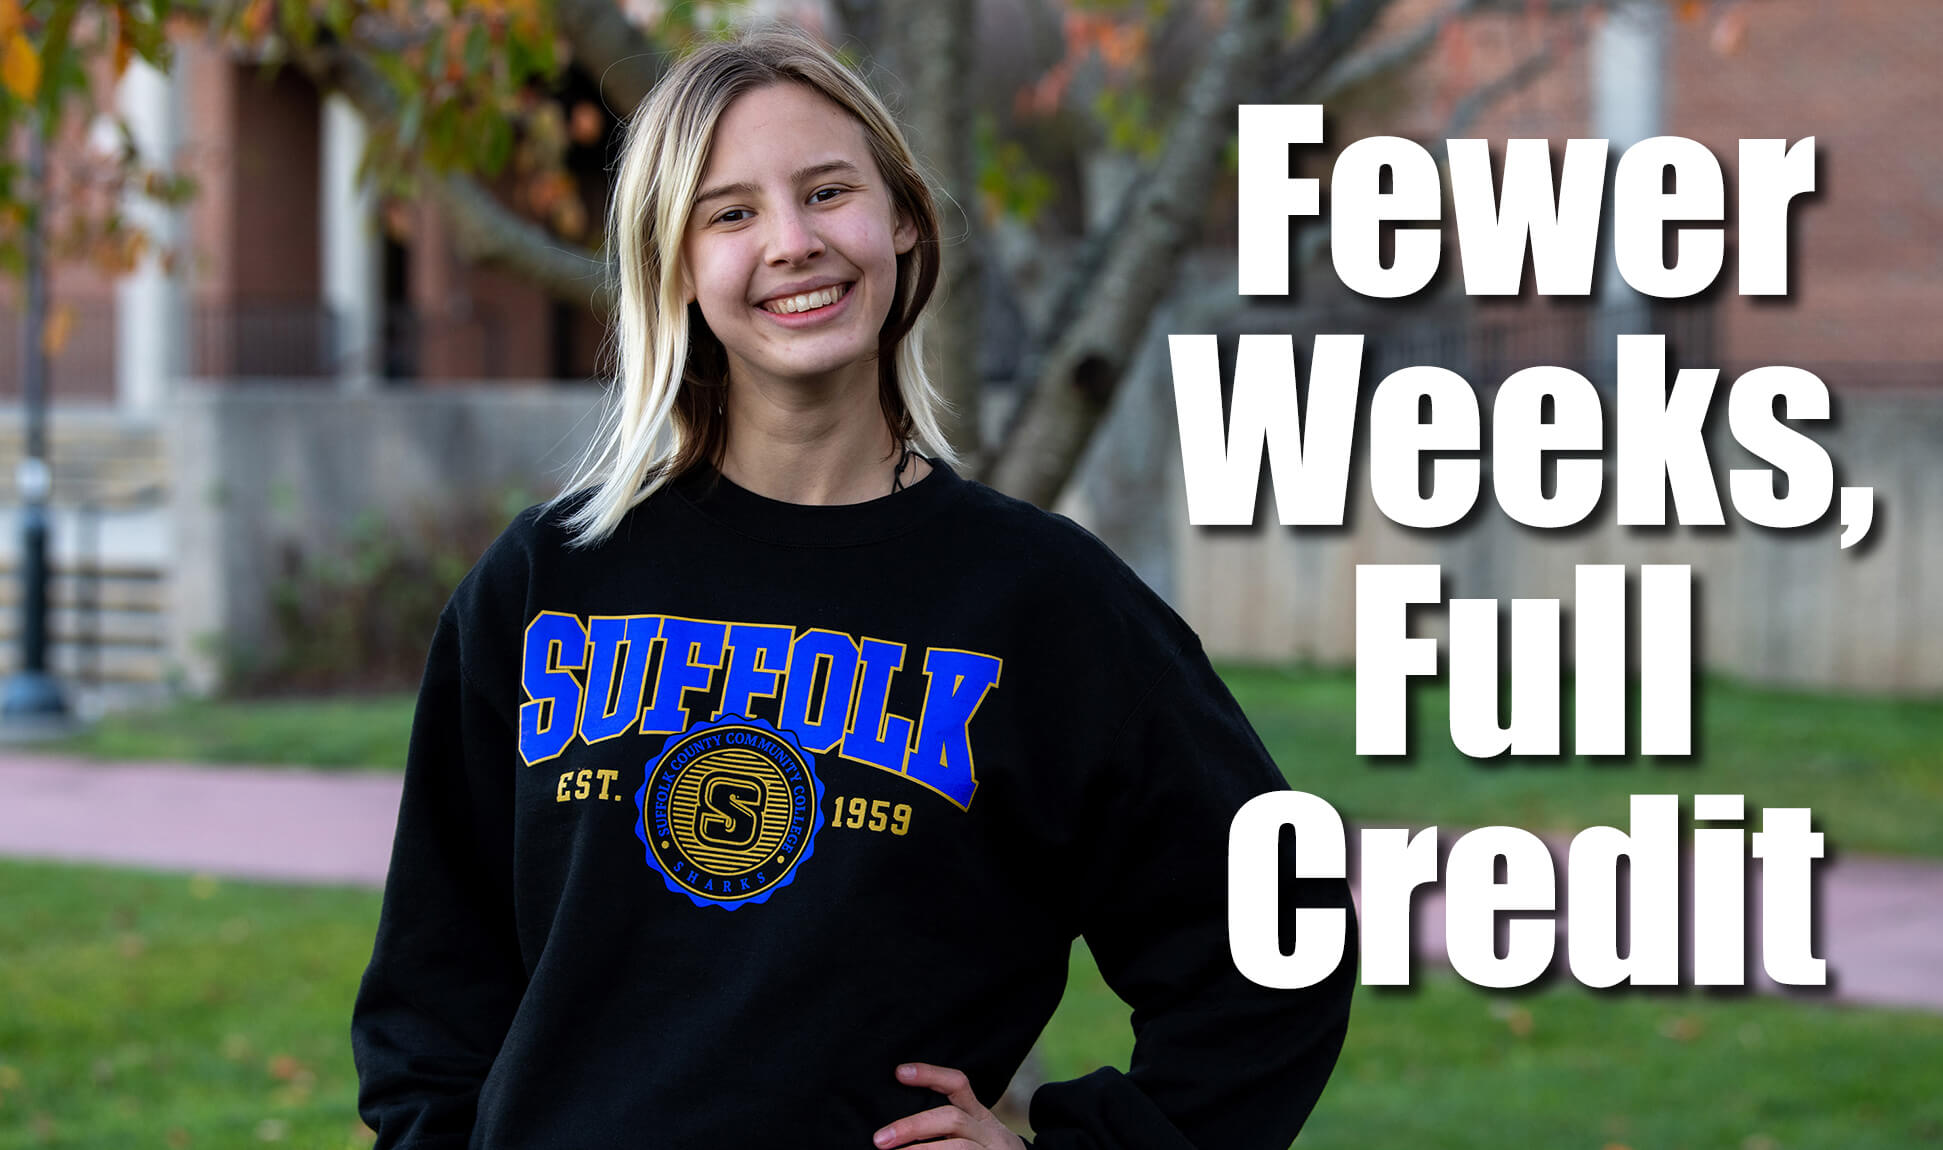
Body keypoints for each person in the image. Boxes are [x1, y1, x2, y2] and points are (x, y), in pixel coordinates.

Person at [351, 20, 1356, 1150]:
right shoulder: (545, 582)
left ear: (905, 223)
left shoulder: (1040, 601)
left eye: (828, 192)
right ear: (674, 267)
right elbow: (431, 998)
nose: (790, 241)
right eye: (730, 213)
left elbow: (1283, 927)